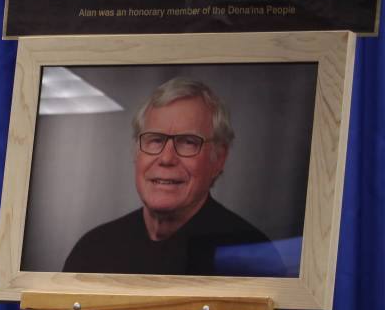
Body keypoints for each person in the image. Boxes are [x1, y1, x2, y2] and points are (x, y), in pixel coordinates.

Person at [62, 77, 282, 276]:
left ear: (219, 158)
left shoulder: (251, 258)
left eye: (187, 142)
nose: (167, 158)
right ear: (136, 152)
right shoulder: (93, 250)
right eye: (155, 140)